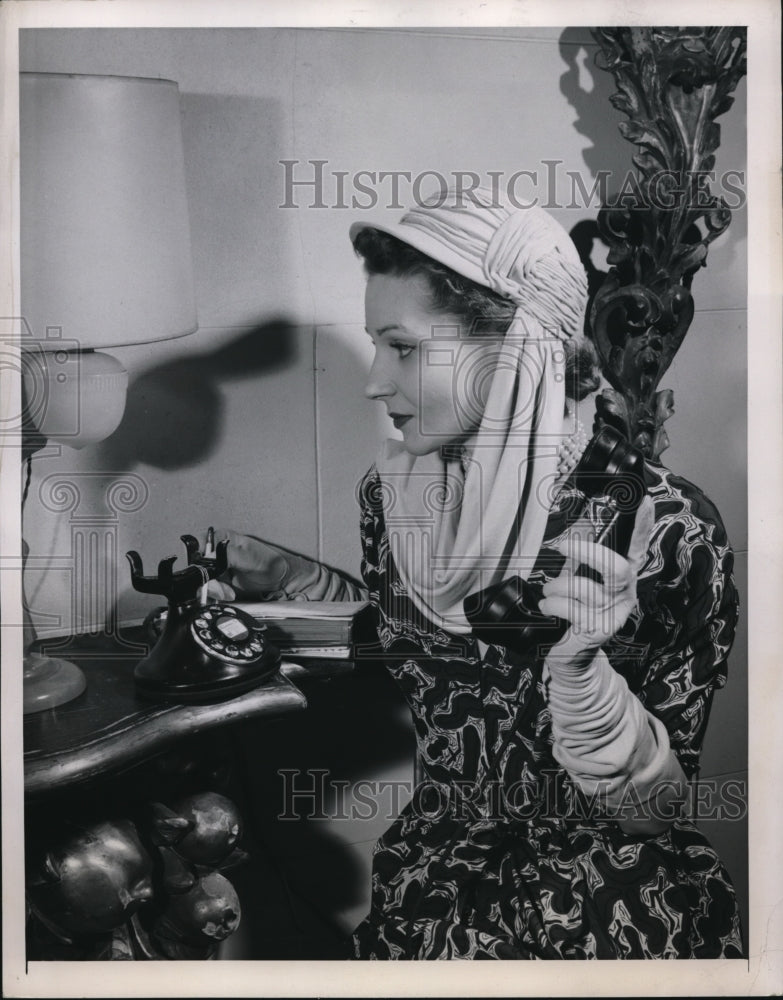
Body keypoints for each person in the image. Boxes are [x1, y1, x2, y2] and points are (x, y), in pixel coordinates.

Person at [211, 188, 743, 959]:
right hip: (428, 892)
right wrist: (298, 581)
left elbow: (651, 810)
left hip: (602, 914)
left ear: (514, 351)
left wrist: (579, 674)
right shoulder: (396, 490)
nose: (373, 381)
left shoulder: (662, 529)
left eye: (402, 347)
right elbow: (428, 647)